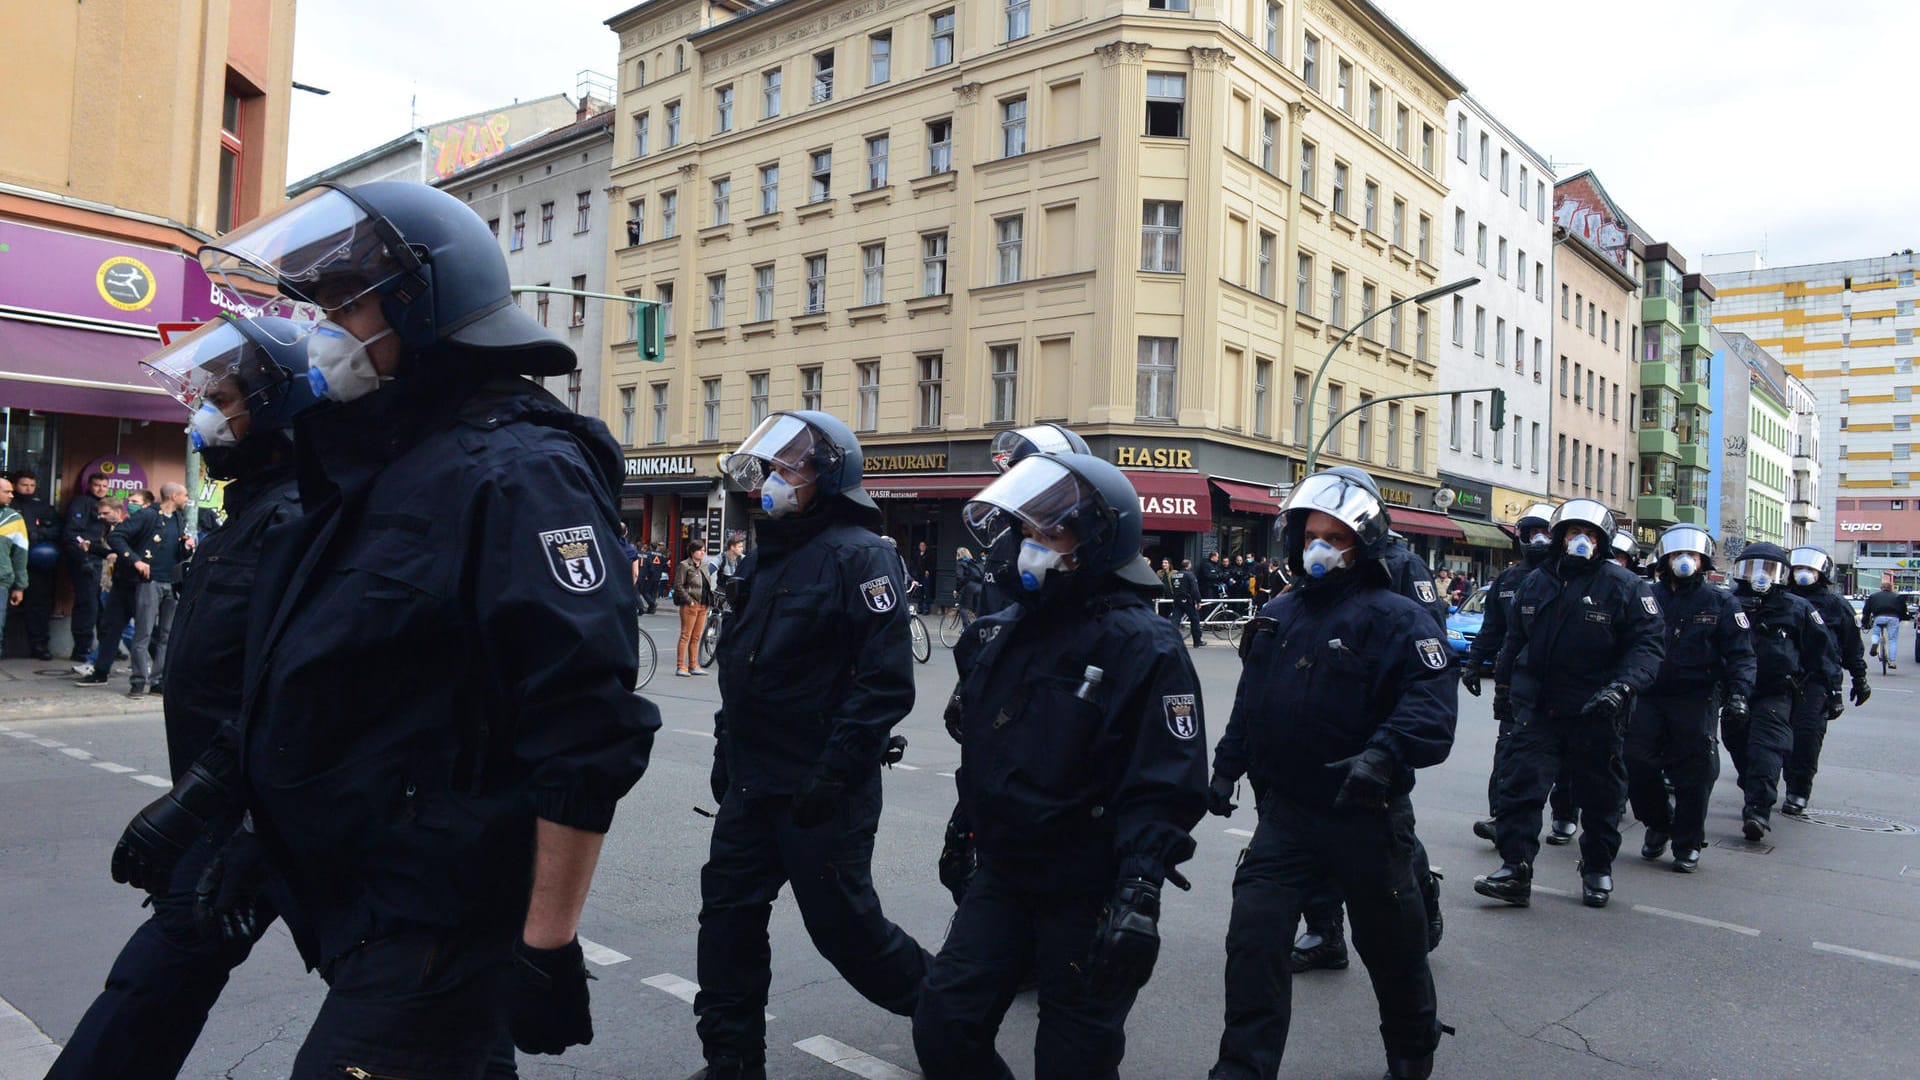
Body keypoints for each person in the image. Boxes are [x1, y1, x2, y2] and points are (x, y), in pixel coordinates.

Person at [131, 179, 663, 1072]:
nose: (322, 326)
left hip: (440, 914)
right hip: (370, 896)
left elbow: (586, 726)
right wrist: (245, 825)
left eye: (343, 301)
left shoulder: (521, 469)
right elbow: (340, 683)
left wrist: (546, 944)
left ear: (423, 303)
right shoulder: (385, 462)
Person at [49, 315, 318, 1079]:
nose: (206, 414)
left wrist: (221, 824)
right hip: (233, 813)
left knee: (406, 1000)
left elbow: (288, 699)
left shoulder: (295, 520)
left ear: (277, 413)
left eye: (226, 399)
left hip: (256, 818)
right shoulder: (249, 515)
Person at [913, 452, 1207, 1079]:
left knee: (1075, 1057)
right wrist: (966, 825)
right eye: (1026, 531)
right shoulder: (1003, 631)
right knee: (943, 1024)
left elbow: (1166, 779)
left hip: (1089, 885)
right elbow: (990, 751)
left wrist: (1140, 890)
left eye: (1051, 533)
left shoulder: (1143, 645)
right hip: (1004, 876)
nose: (1031, 547)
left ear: (1099, 540)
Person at [695, 409, 928, 1080]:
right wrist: (724, 746)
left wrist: (833, 777)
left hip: (821, 789)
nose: (773, 478)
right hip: (753, 783)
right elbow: (744, 664)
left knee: (847, 933)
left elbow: (883, 684)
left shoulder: (863, 555)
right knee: (728, 923)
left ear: (827, 478)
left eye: (788, 467)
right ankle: (732, 1063)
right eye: (771, 465)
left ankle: (952, 1014)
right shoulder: (769, 553)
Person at [1205, 468, 1457, 1080]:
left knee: (1395, 953)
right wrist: (1225, 767)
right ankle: (1242, 1068)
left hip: (1367, 819)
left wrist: (1382, 755)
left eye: (1336, 536)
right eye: (1311, 533)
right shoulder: (1278, 613)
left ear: (1363, 544)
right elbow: (1251, 701)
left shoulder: (1399, 619)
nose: (1320, 546)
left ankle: (1411, 1051)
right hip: (1286, 818)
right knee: (1254, 944)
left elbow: (1430, 708)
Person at [1476, 498, 1664, 909]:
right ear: (1560, 538)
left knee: (1600, 797)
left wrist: (1622, 689)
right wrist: (1504, 690)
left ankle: (1597, 867)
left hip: (1596, 711)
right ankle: (1515, 869)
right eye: (1574, 533)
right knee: (1520, 788)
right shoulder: (1535, 581)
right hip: (1539, 709)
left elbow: (1647, 649)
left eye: (1591, 535)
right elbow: (1514, 639)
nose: (1581, 541)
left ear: (1603, 542)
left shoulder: (1626, 587)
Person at [1624, 526, 1757, 875]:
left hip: (1696, 695)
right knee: (1635, 761)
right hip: (1649, 693)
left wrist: (1740, 694)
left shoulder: (1721, 602)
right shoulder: (1646, 596)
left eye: (1693, 555)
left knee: (1695, 771)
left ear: (1703, 560)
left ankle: (1687, 842)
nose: (1685, 561)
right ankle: (1657, 821)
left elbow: (1742, 654)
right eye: (1678, 554)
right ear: (1665, 559)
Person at [1463, 504, 1577, 845]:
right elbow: (1495, 628)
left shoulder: (1569, 575)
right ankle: (1502, 816)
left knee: (1568, 754)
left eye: (1545, 532)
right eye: (1532, 533)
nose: (1539, 539)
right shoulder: (1508, 579)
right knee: (1510, 750)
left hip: (1564, 682)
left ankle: (1565, 813)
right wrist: (1474, 662)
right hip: (1519, 682)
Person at [1723, 543, 1832, 842]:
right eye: (1753, 567)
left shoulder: (1797, 608)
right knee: (1737, 742)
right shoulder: (1727, 602)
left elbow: (1821, 651)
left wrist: (1828, 691)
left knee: (1767, 749)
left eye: (1769, 569)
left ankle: (1758, 810)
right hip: (1735, 691)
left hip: (1776, 691)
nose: (1761, 575)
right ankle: (1751, 785)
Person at [1784, 546, 1870, 815]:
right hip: (1781, 677)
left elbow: (1851, 645)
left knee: (1808, 736)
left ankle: (1798, 790)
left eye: (1809, 569)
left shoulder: (1836, 606)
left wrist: (1860, 678)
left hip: (1817, 680)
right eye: (1798, 569)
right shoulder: (1781, 599)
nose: (1803, 574)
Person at [78, 487, 186, 695]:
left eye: (135, 500)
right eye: (130, 500)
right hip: (128, 581)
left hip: (151, 581)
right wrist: (134, 560)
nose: (132, 504)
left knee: (157, 633)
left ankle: (159, 677)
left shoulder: (166, 518)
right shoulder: (143, 519)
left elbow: (163, 548)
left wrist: (185, 547)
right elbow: (117, 545)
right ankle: (111, 672)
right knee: (120, 629)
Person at [977, 424, 1091, 615]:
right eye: (1021, 481)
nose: (1027, 493)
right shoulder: (1007, 542)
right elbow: (989, 611)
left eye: (1039, 481)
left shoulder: (1093, 550)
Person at [9, 468, 60, 660]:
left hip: (38, 563)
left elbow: (57, 529)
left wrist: (39, 534)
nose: (29, 489)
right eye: (24, 485)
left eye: (32, 485)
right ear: (15, 485)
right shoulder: (9, 505)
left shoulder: (43, 507)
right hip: (10, 562)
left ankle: (39, 645)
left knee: (39, 605)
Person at [61, 472, 112, 663]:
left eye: (104, 486)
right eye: (97, 485)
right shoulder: (81, 502)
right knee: (87, 604)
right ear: (89, 485)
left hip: (101, 559)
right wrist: (83, 559)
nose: (100, 489)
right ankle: (82, 648)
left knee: (101, 604)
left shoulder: (106, 505)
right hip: (85, 559)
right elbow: (72, 534)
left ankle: (106, 646)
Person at [675, 540, 713, 677]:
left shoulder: (704, 565)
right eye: (700, 550)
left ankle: (693, 665)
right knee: (686, 635)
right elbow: (678, 586)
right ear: (692, 552)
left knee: (696, 637)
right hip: (690, 605)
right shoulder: (685, 565)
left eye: (704, 550)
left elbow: (707, 585)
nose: (703, 552)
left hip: (703, 605)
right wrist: (689, 601)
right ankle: (681, 666)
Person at [0, 477, 26, 647]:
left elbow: (20, 555)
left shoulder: (14, 519)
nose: (11, 496)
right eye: (6, 492)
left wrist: (19, 586)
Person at [1863, 579, 1904, 669]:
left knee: (1876, 633)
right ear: (1891, 588)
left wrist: (1865, 622)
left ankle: (1875, 643)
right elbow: (1903, 610)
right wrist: (1901, 618)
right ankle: (1892, 661)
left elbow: (1866, 611)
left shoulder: (1873, 596)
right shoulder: (1897, 597)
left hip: (1879, 617)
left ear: (1881, 588)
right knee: (1892, 639)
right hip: (1893, 617)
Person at [1171, 558, 1205, 647]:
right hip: (1187, 600)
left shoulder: (1174, 575)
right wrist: (1198, 601)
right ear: (1188, 565)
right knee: (1194, 620)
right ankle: (1197, 641)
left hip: (1177, 600)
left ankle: (1171, 639)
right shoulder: (1190, 575)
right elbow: (1195, 590)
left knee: (1175, 620)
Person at [953, 545, 983, 616]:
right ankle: (979, 625)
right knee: (977, 610)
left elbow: (960, 578)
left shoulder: (960, 563)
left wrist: (957, 590)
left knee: (962, 607)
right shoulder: (973, 562)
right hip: (979, 587)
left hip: (969, 588)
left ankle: (966, 626)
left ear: (959, 554)